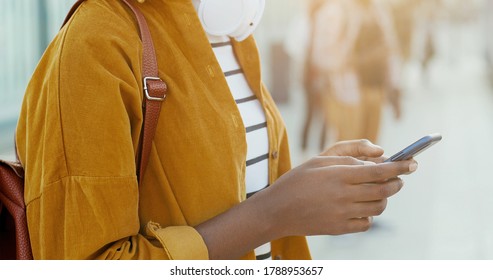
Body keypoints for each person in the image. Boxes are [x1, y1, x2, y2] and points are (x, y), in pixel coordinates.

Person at [16, 0, 417, 260]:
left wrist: (304, 187)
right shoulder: (95, 43)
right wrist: (274, 213)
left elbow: (236, 187)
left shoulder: (231, 34)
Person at [312, 0, 402, 144]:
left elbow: (390, 50)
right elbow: (321, 56)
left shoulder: (378, 10)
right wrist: (358, 60)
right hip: (346, 95)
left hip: (375, 91)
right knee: (350, 154)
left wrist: (395, 87)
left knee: (372, 153)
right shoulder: (334, 11)